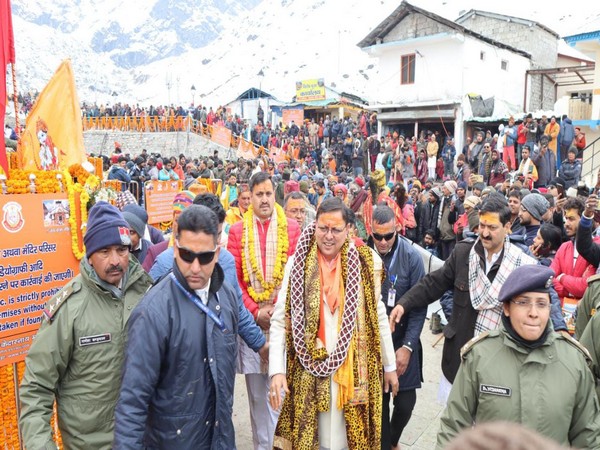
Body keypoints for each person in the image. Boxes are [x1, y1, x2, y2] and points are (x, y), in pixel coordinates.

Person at [389, 195, 566, 403]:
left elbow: (547, 294)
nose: (484, 232)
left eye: (491, 227)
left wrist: (561, 329)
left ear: (507, 226)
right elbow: (434, 283)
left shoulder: (521, 262)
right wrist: (404, 303)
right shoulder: (464, 253)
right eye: (482, 225)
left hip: (499, 363)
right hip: (458, 359)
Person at [113, 205, 259, 448]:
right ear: (175, 249)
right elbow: (132, 403)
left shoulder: (228, 297)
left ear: (217, 252)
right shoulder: (153, 313)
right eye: (187, 255)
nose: (194, 267)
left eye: (204, 257)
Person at [19, 202, 153, 449]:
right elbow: (37, 386)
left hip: (143, 439)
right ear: (89, 255)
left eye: (121, 250)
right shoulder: (68, 308)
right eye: (104, 251)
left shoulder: (147, 293)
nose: (115, 260)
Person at [269, 197, 398, 449]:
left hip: (351, 375)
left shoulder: (366, 263)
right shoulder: (297, 264)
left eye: (336, 230)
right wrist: (277, 370)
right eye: (323, 228)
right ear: (314, 225)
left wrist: (389, 365)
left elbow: (379, 315)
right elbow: (279, 321)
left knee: (346, 440)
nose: (328, 236)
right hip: (308, 372)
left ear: (349, 229)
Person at [437, 265, 600, 449]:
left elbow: (588, 437)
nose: (533, 312)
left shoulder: (574, 361)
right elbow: (453, 427)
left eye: (541, 303)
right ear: (506, 307)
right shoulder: (480, 356)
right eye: (523, 302)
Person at [227, 171, 301, 450]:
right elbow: (235, 281)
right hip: (251, 325)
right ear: (249, 197)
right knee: (258, 398)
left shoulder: (291, 228)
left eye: (269, 193)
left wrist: (277, 311)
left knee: (282, 392)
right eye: (259, 194)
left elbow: (295, 276)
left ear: (275, 194)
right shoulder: (236, 231)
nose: (265, 199)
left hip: (283, 324)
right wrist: (255, 312)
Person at [367, 205, 426, 450]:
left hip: (403, 338)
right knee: (378, 406)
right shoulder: (360, 253)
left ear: (397, 229)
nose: (382, 242)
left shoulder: (412, 257)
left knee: (405, 404)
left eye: (388, 236)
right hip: (372, 345)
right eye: (377, 236)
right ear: (370, 231)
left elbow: (419, 306)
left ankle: (392, 441)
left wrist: (408, 347)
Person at [550, 197, 599, 334]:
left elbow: (586, 287)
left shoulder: (595, 248)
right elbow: (550, 279)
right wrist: (570, 290)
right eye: (566, 218)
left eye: (571, 219)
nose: (566, 223)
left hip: (584, 322)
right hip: (559, 320)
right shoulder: (564, 247)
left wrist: (563, 278)